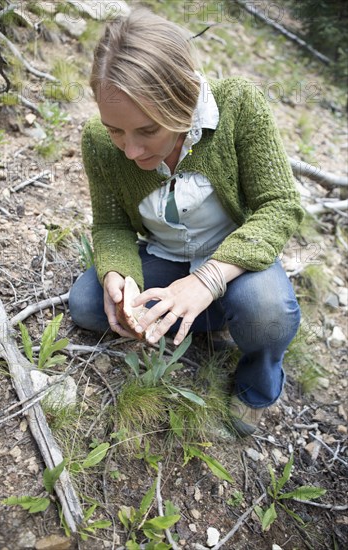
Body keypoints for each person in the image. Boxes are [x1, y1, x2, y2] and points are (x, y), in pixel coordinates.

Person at [69, 6, 304, 437]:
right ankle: (212, 321)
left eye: (147, 131)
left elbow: (280, 206)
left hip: (236, 261)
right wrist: (119, 273)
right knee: (87, 303)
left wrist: (209, 281)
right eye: (116, 130)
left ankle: (256, 386)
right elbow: (111, 226)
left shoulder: (238, 106)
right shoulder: (99, 143)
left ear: (184, 99)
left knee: (267, 313)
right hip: (168, 257)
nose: (129, 151)